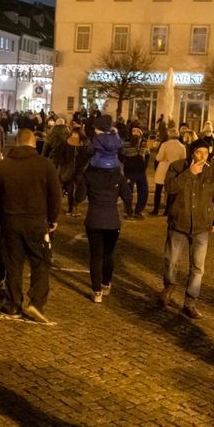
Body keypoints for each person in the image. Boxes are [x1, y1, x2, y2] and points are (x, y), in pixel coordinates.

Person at [0, 129, 61, 322]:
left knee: (13, 264)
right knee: (41, 262)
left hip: (10, 222)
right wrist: (53, 219)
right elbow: (55, 195)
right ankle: (36, 302)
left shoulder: (3, 167)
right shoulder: (45, 165)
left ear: (17, 143)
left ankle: (13, 304)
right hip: (36, 222)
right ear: (34, 142)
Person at [160, 137, 214, 319]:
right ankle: (169, 287)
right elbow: (170, 187)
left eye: (205, 153)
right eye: (198, 152)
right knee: (171, 260)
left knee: (197, 267)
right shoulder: (177, 167)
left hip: (201, 227)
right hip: (178, 223)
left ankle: (190, 302)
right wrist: (189, 173)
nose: (202, 156)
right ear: (192, 153)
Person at [83, 150, 131, 303]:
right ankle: (106, 284)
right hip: (112, 221)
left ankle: (97, 292)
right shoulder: (118, 175)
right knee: (108, 254)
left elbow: (79, 196)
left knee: (96, 256)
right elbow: (128, 196)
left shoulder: (89, 175)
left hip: (94, 219)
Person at [121, 126, 150, 220]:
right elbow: (121, 155)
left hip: (141, 172)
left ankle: (139, 211)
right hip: (130, 172)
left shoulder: (144, 143)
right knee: (128, 192)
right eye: (133, 131)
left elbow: (147, 155)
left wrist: (145, 166)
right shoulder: (126, 143)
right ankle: (129, 212)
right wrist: (127, 163)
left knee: (144, 191)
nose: (135, 132)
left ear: (141, 133)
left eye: (137, 131)